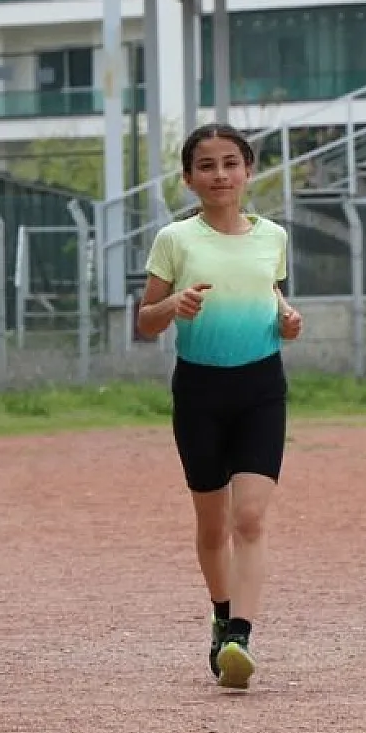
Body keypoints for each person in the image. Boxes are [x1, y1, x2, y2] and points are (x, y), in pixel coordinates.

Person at [136, 123, 303, 690]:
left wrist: (288, 320)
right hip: (200, 392)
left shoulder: (273, 237)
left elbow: (273, 296)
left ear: (248, 171)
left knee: (249, 518)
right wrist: (173, 307)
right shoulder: (175, 240)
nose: (220, 174)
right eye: (206, 166)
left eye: (231, 163)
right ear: (188, 178)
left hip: (261, 388)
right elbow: (144, 321)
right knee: (213, 527)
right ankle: (221, 613)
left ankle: (239, 638)